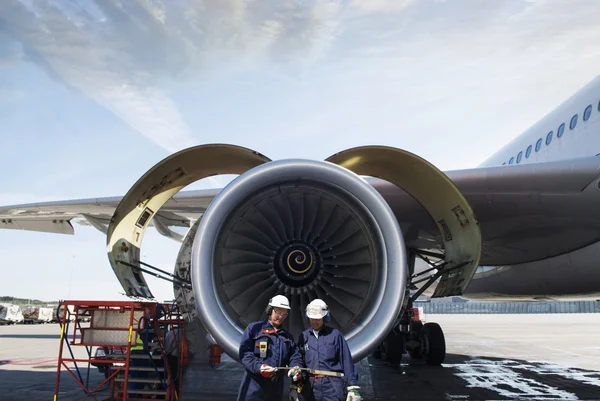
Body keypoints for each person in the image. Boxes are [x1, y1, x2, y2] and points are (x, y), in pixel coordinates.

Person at [237, 295, 304, 401]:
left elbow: (295, 355)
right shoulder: (254, 330)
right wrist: (259, 367)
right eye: (278, 312)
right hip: (254, 389)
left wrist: (295, 368)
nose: (281, 316)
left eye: (284, 314)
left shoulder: (287, 337)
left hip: (274, 391)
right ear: (269, 310)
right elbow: (244, 354)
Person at [297, 299, 360, 401]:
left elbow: (346, 361)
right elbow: (299, 360)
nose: (314, 321)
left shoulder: (335, 335)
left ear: (325, 317)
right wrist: (295, 384)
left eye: (317, 319)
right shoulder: (303, 336)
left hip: (332, 387)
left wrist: (352, 387)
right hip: (311, 387)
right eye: (312, 318)